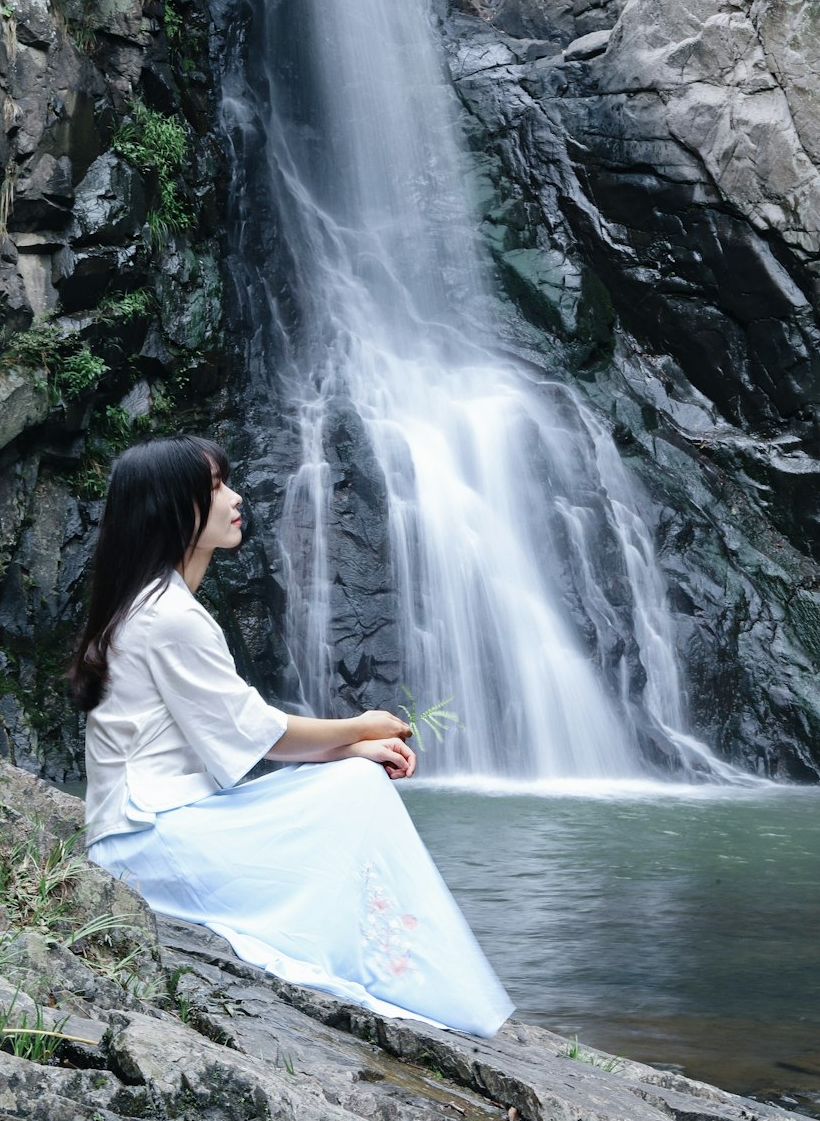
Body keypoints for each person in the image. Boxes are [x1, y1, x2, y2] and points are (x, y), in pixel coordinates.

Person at [70, 432, 513, 1037]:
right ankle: (389, 972)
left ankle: (383, 965)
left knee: (349, 779)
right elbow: (259, 734)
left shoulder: (148, 605)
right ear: (173, 510)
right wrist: (360, 728)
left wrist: (350, 747)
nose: (236, 497)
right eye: (216, 488)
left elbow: (241, 733)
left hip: (149, 827)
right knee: (354, 790)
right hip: (148, 843)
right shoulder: (169, 617)